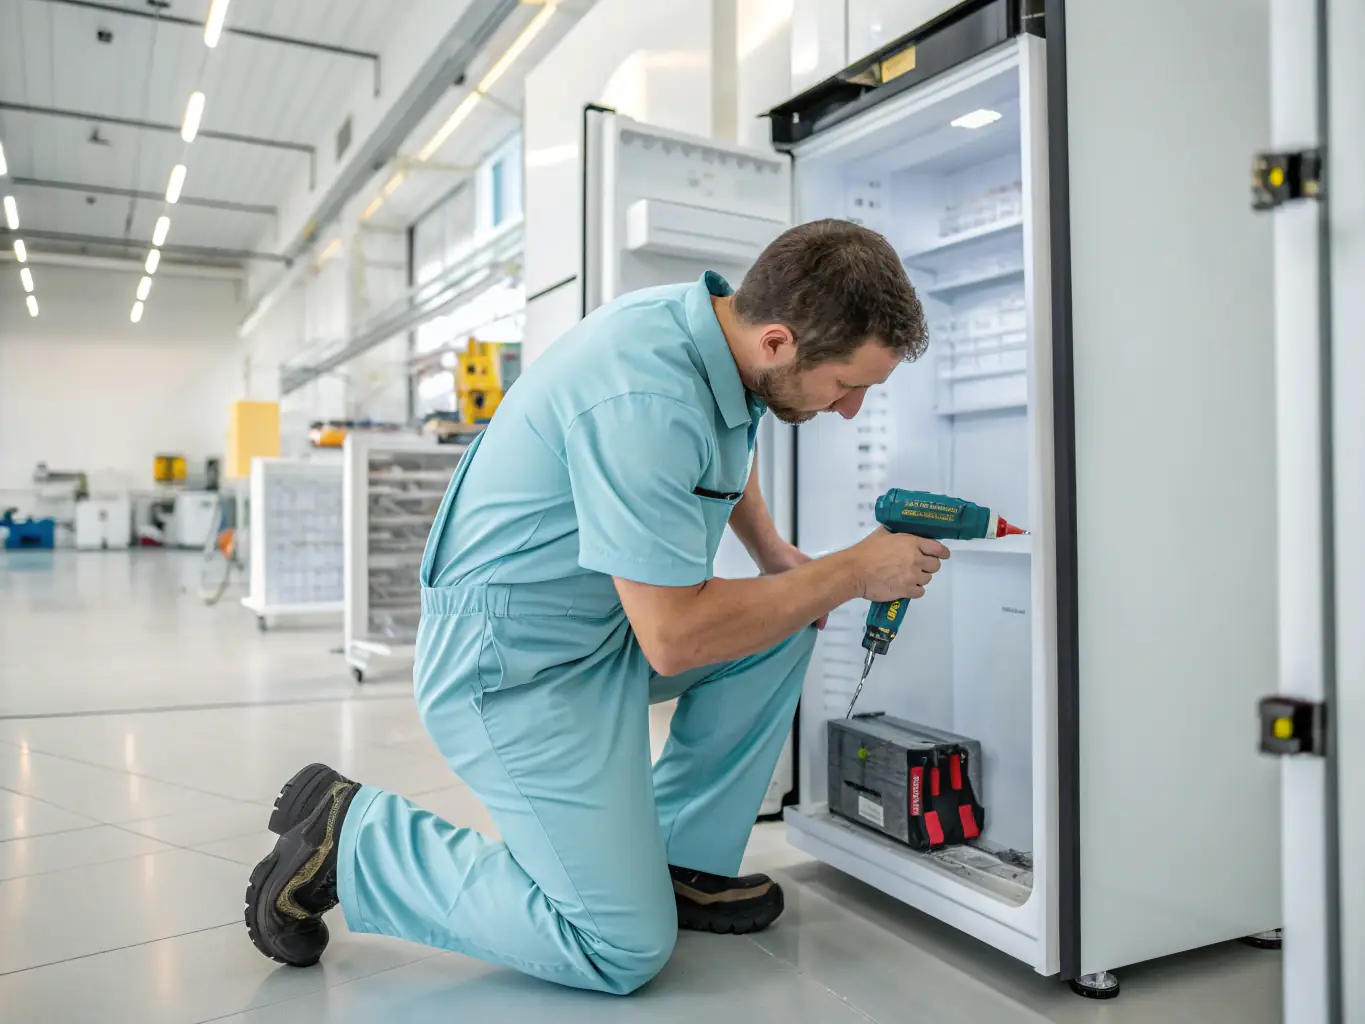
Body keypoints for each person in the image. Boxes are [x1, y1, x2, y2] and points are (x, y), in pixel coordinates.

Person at [244, 219, 948, 995]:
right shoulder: (643, 391)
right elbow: (676, 639)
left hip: (593, 634)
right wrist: (849, 572)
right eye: (848, 385)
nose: (849, 409)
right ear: (779, 342)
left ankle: (677, 861)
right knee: (617, 948)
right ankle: (355, 840)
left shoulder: (712, 336)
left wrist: (773, 553)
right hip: (512, 667)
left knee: (783, 626)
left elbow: (718, 446)